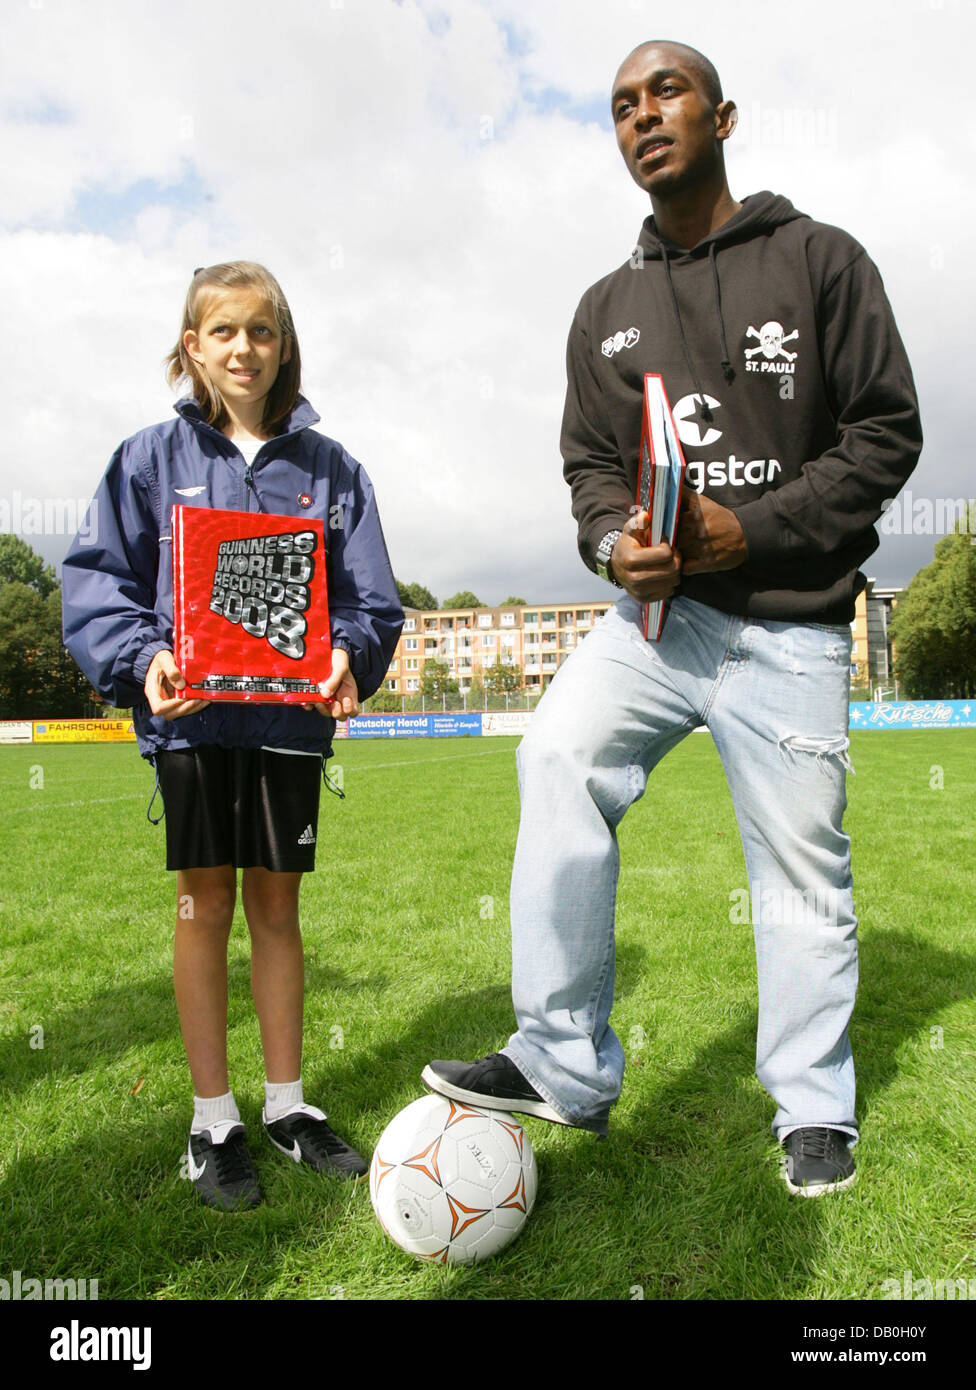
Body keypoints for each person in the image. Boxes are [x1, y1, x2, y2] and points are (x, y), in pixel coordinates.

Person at [422, 41, 922, 1195]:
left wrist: (753, 530)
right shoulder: (604, 309)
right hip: (659, 626)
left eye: (665, 93)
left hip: (790, 627)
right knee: (554, 750)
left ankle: (812, 1108)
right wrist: (616, 546)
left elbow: (885, 435)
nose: (642, 115)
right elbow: (590, 471)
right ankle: (561, 1061)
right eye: (619, 107)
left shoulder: (819, 259)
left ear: (721, 114)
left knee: (799, 865)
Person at [62, 261, 403, 1211]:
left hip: (289, 726)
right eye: (223, 332)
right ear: (190, 347)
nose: (244, 349)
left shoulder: (333, 469)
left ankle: (289, 1106)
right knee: (202, 906)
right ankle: (214, 1120)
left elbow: (371, 600)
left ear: (283, 344)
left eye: (261, 331)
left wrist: (347, 654)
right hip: (194, 724)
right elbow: (99, 583)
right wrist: (144, 660)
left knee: (279, 909)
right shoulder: (147, 460)